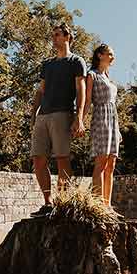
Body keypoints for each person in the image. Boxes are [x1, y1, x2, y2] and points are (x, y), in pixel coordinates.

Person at [29, 23, 87, 214]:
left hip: (63, 113)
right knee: (38, 159)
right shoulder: (47, 64)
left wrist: (79, 117)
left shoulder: (76, 62)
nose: (54, 38)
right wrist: (33, 113)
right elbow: (41, 90)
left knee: (62, 159)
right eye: (52, 35)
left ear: (67, 37)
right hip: (43, 116)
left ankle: (62, 204)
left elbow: (81, 91)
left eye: (57, 35)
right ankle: (48, 203)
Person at [82, 44, 121, 208]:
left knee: (111, 163)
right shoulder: (92, 75)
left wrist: (117, 130)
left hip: (113, 121)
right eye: (109, 54)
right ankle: (98, 205)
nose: (112, 57)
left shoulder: (109, 79)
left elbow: (114, 106)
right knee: (101, 161)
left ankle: (107, 205)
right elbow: (88, 100)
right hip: (100, 118)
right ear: (100, 55)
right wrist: (80, 120)